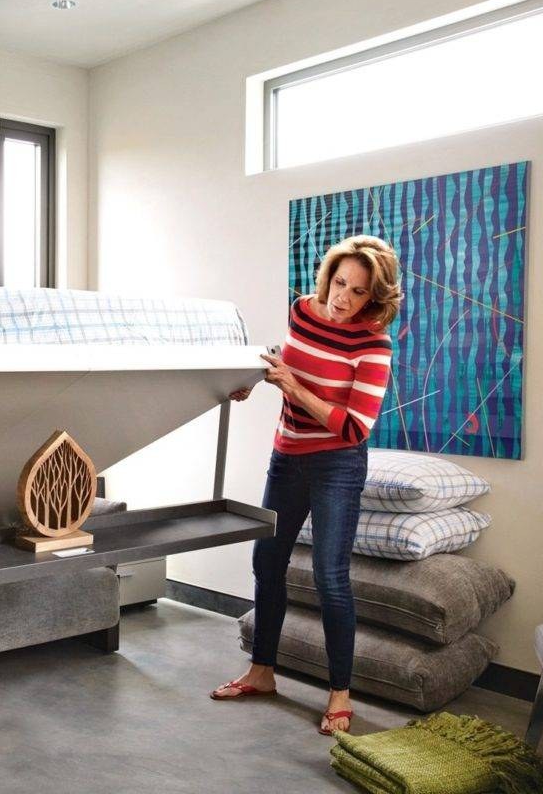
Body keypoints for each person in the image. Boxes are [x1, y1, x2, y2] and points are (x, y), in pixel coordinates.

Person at [210, 235, 403, 736]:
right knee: (267, 562)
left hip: (337, 465)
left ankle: (340, 695)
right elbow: (290, 366)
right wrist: (252, 380)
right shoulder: (302, 311)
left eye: (358, 292)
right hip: (287, 455)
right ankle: (262, 672)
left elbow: (355, 427)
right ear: (327, 277)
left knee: (329, 576)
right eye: (339, 283)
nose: (342, 298)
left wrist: (294, 388)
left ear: (374, 298)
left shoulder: (374, 345)